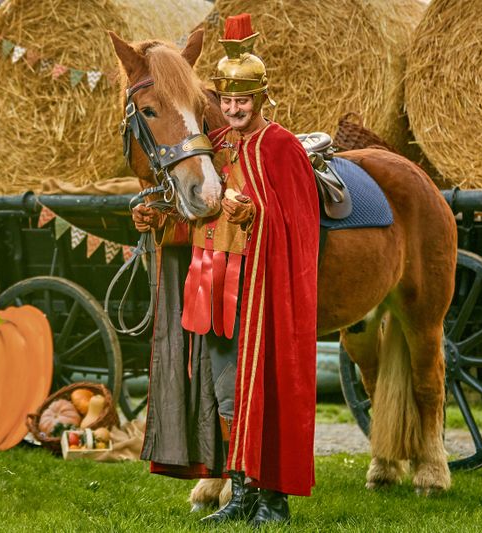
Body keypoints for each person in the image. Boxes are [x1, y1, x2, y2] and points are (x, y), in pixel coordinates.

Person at [132, 13, 319, 527]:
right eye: (228, 100)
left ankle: (273, 500)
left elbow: (298, 226)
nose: (235, 109)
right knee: (223, 393)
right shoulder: (214, 146)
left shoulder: (279, 147)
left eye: (245, 100)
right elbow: (199, 217)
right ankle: (240, 492)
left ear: (261, 99)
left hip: (256, 294)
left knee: (254, 387)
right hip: (209, 291)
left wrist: (254, 213)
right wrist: (157, 220)